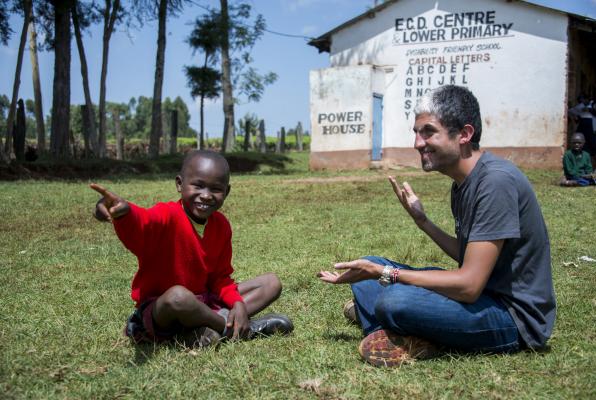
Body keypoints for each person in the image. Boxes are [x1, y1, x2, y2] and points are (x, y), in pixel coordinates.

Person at [318, 85, 556, 367]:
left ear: (465, 134)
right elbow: (467, 254)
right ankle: (399, 331)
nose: (418, 143)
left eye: (428, 132)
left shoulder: (495, 182)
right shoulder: (462, 184)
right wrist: (423, 222)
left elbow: (468, 285)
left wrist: (388, 273)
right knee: (368, 271)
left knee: (393, 299)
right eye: (416, 133)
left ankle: (392, 326)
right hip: (481, 296)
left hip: (511, 317)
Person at [91, 150, 293, 346]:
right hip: (163, 311)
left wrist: (237, 303)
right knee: (178, 297)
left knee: (271, 283)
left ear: (227, 192)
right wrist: (123, 213)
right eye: (198, 186)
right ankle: (235, 328)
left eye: (215, 189)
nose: (206, 195)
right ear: (180, 184)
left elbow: (220, 278)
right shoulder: (167, 215)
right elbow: (142, 221)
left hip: (203, 302)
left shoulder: (221, 225)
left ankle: (202, 331)